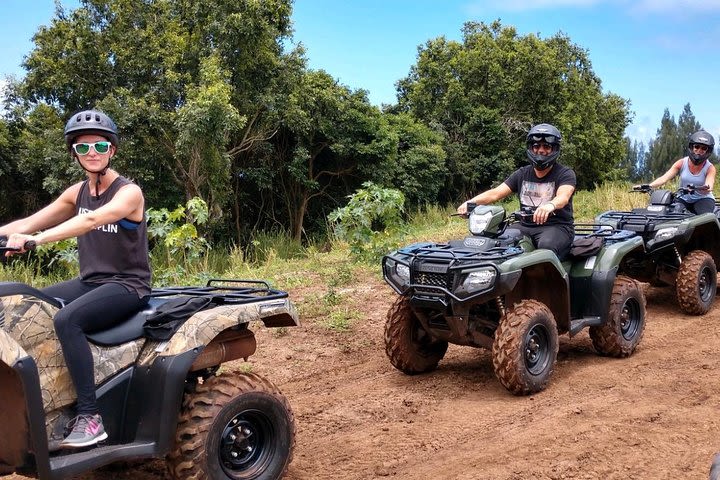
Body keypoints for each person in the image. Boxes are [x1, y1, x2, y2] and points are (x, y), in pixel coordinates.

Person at [0, 109, 151, 448]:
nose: (92, 153)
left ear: (112, 149)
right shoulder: (76, 192)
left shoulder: (129, 193)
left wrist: (36, 241)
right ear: (74, 154)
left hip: (127, 285)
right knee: (30, 306)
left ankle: (90, 416)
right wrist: (8, 235)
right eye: (83, 148)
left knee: (68, 320)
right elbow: (29, 222)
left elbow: (89, 222)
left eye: (99, 145)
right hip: (92, 280)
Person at [457, 123, 576, 260]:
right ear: (531, 148)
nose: (541, 150)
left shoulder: (565, 173)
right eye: (536, 146)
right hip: (524, 225)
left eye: (546, 147)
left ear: (554, 149)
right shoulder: (522, 173)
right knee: (498, 243)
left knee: (546, 247)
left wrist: (550, 205)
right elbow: (495, 193)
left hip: (557, 227)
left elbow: (563, 196)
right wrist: (471, 202)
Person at [635, 130, 716, 214]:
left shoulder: (710, 168)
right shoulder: (681, 163)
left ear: (708, 151)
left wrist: (703, 188)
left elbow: (709, 186)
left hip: (703, 199)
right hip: (683, 198)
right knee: (671, 215)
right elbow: (664, 178)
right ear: (691, 147)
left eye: (704, 148)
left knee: (705, 218)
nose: (699, 150)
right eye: (697, 146)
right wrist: (648, 186)